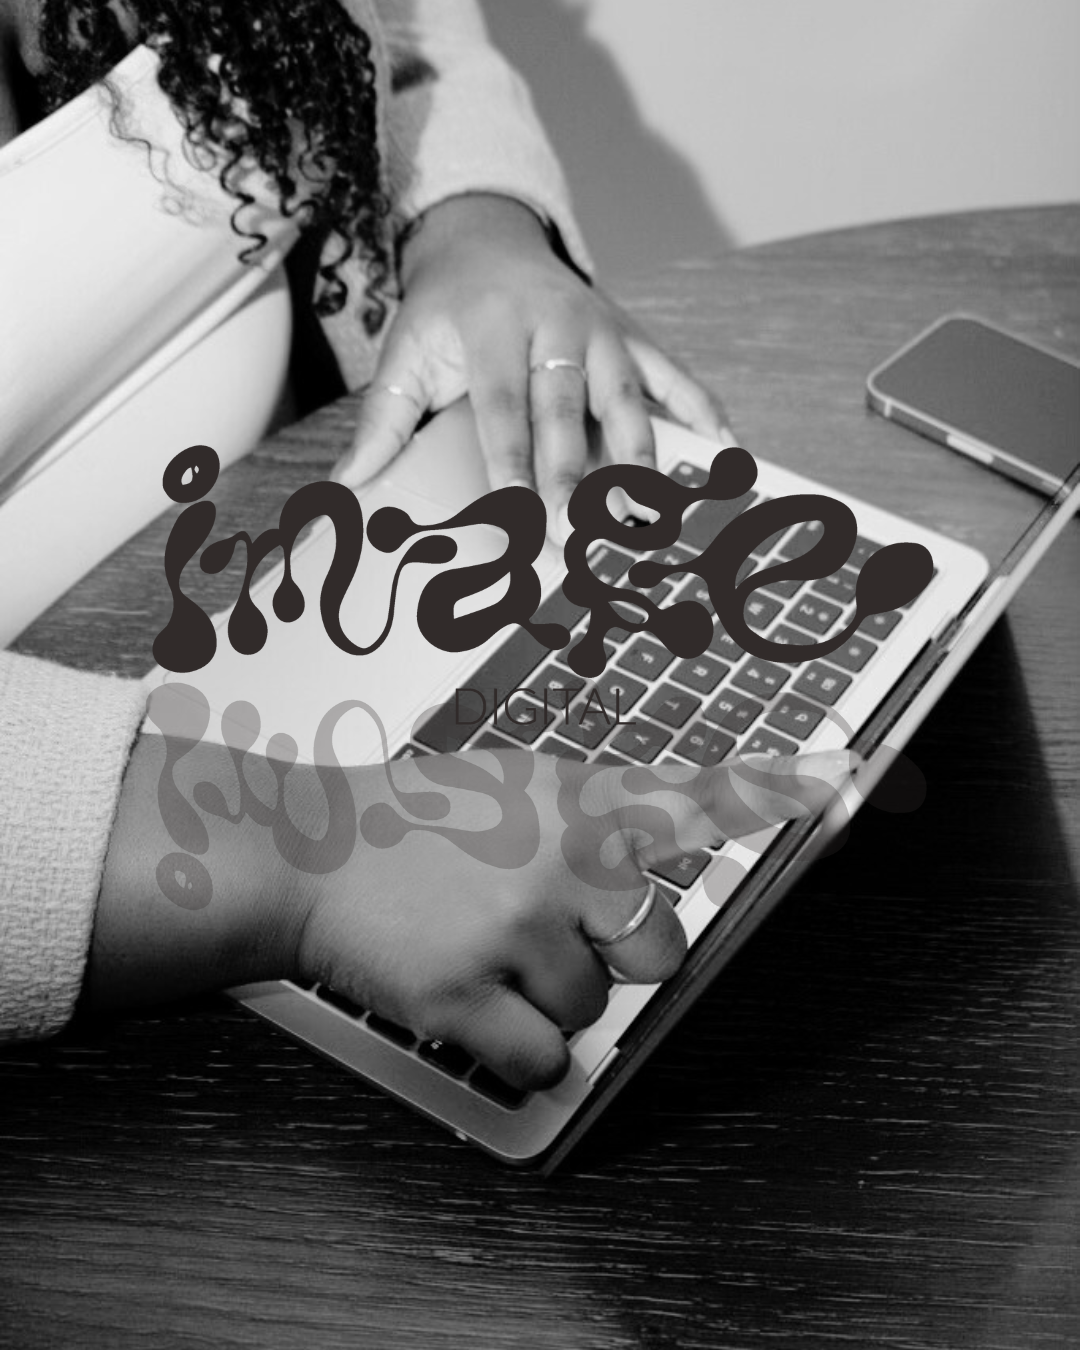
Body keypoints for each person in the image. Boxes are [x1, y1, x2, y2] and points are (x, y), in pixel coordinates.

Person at [0, 0, 850, 1088]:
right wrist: (310, 856)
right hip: (119, 844)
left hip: (301, 553)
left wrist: (468, 224)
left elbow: (397, 24)